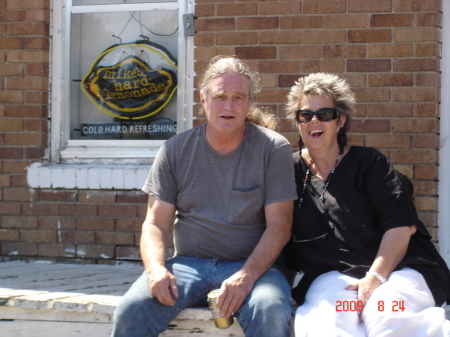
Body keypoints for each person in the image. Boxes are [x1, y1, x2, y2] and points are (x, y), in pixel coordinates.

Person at [111, 56, 297, 337]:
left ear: (249, 103)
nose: (229, 105)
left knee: (269, 308)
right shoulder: (175, 150)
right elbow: (155, 223)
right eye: (220, 96)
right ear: (203, 99)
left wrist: (245, 278)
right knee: (131, 310)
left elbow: (280, 226)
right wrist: (156, 271)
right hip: (188, 266)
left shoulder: (273, 148)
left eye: (238, 97)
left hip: (254, 268)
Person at [282, 72, 450, 337]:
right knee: (326, 325)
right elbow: (284, 240)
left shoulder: (370, 164)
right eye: (305, 115)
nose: (314, 120)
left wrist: (375, 278)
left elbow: (400, 226)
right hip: (333, 279)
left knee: (387, 313)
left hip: (398, 270)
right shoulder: (289, 171)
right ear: (298, 122)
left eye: (324, 114)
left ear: (341, 121)